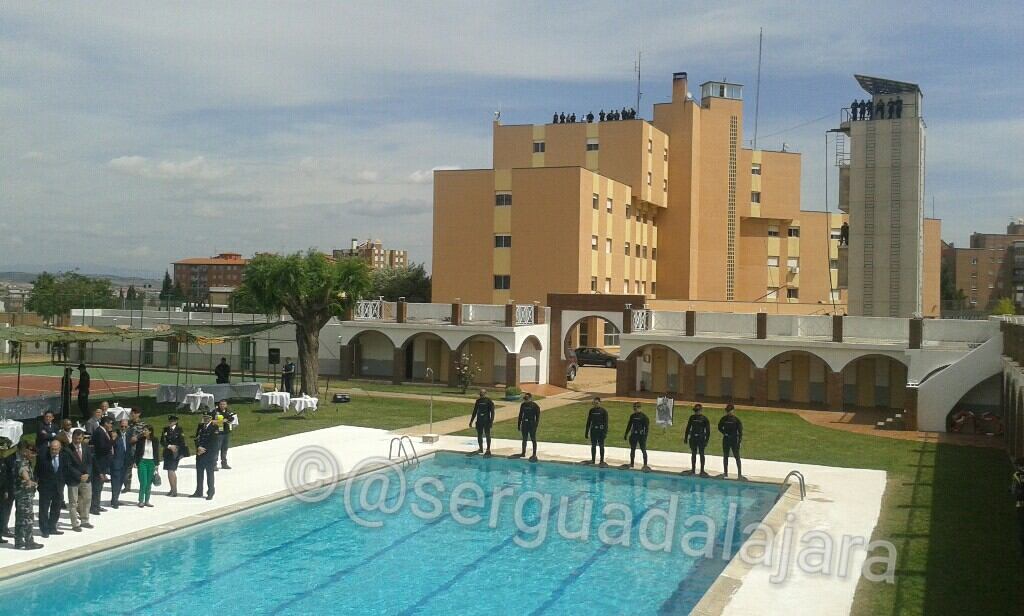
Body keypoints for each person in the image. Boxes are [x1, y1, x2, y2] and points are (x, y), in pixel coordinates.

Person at [13, 441, 42, 550]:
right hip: (24, 495)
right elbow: (23, 472)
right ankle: (29, 541)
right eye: (31, 452)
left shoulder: (20, 460)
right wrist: (29, 481)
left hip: (21, 494)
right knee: (28, 518)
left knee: (20, 518)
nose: (33, 455)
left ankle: (19, 541)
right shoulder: (22, 462)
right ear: (25, 451)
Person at [36, 439, 66, 537]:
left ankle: (52, 526)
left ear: (60, 448)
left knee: (56, 508)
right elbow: (37, 470)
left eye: (56, 449)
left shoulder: (63, 456)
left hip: (58, 486)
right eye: (52, 449)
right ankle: (44, 529)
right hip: (45, 487)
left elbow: (66, 469)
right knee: (44, 509)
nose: (53, 451)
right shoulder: (43, 457)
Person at [65, 429, 93, 531]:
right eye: (76, 438)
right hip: (73, 479)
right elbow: (68, 466)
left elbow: (90, 462)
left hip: (86, 478)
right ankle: (75, 524)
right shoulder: (67, 449)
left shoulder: (86, 447)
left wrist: (87, 474)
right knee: (73, 503)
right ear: (72, 438)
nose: (77, 440)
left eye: (80, 438)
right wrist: (79, 475)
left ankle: (85, 520)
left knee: (87, 499)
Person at [90, 416, 113, 515]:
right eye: (110, 423)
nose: (111, 425)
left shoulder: (104, 431)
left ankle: (97, 505)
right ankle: (93, 507)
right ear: (106, 423)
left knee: (99, 486)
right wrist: (113, 440)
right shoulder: (99, 432)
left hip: (103, 462)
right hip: (99, 462)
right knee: (96, 486)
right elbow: (102, 448)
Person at [192, 412, 218, 500]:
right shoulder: (200, 426)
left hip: (209, 454)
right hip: (200, 453)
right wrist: (198, 447)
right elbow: (196, 438)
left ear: (211, 418)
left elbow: (214, 442)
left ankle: (210, 492)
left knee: (209, 474)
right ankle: (199, 491)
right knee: (199, 473)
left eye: (207, 417)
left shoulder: (214, 427)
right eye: (204, 417)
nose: (206, 419)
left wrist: (204, 449)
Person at [109, 419, 133, 508]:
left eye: (125, 427)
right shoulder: (115, 434)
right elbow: (110, 446)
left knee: (121, 481)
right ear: (120, 426)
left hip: (125, 462)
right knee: (115, 482)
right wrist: (113, 439)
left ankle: (115, 499)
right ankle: (114, 501)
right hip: (116, 462)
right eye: (122, 426)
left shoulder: (129, 434)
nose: (123, 428)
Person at [161, 415, 187, 497]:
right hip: (167, 452)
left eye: (172, 421)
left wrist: (179, 451)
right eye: (170, 421)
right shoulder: (165, 429)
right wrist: (169, 446)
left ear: (176, 421)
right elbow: (162, 441)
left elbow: (182, 441)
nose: (170, 422)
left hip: (175, 452)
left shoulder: (179, 430)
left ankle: (174, 490)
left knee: (171, 470)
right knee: (170, 470)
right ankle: (172, 489)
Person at [134, 425, 160, 508]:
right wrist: (135, 461)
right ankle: (141, 500)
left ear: (150, 431)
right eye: (143, 430)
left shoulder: (155, 440)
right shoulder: (140, 440)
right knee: (143, 482)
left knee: (149, 483)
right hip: (142, 462)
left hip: (151, 462)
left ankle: (147, 500)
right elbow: (137, 452)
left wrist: (157, 464)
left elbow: (156, 452)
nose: (144, 432)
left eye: (145, 430)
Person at [718, 404, 744, 479]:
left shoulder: (736, 420)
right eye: (727, 411)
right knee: (725, 456)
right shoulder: (724, 419)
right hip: (726, 439)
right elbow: (719, 427)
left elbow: (740, 432)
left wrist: (739, 442)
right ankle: (725, 473)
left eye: (729, 411)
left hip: (734, 440)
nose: (728, 412)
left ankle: (739, 474)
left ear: (733, 410)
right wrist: (724, 433)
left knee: (737, 457)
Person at [123, 407, 146, 492]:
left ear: (138, 414)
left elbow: (146, 433)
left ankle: (142, 487)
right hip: (129, 450)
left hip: (138, 450)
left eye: (134, 413)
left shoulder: (143, 424)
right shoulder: (129, 424)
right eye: (132, 413)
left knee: (141, 470)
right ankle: (127, 486)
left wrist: (137, 437)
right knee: (127, 469)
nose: (132, 414)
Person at [683, 404, 711, 476]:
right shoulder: (692, 417)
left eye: (697, 410)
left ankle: (702, 471)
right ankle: (693, 470)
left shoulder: (704, 419)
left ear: (701, 410)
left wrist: (706, 440)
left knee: (702, 454)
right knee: (693, 454)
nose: (696, 412)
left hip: (701, 438)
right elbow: (688, 428)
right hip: (693, 438)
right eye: (695, 411)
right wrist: (686, 438)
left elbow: (708, 431)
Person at [623, 402, 650, 470]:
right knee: (632, 449)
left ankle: (645, 464)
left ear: (640, 407)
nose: (635, 409)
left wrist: (645, 437)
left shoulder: (644, 417)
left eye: (636, 407)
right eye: (634, 407)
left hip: (641, 436)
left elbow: (646, 428)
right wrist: (626, 434)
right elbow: (629, 425)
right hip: (634, 435)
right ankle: (632, 463)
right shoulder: (632, 416)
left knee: (643, 449)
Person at [514, 392, 540, 461]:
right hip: (524, 423)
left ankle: (534, 454)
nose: (525, 400)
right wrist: (519, 424)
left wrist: (536, 425)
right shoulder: (523, 405)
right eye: (525, 398)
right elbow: (520, 415)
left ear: (530, 398)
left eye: (526, 398)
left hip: (532, 424)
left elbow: (537, 417)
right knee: (524, 439)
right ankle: (523, 452)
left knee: (533, 439)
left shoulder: (535, 406)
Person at [469, 389, 495, 456]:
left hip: (486, 421)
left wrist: (491, 421)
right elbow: (474, 411)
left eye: (482, 393)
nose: (481, 394)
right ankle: (481, 448)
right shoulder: (478, 401)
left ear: (485, 393)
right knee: (479, 435)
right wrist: (471, 421)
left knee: (487, 435)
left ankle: (488, 449)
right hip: (479, 421)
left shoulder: (489, 401)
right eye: (480, 393)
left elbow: (492, 412)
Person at [584, 397, 609, 466]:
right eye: (594, 403)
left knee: (601, 446)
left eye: (597, 403)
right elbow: (588, 422)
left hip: (600, 431)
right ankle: (593, 460)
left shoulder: (604, 411)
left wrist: (605, 433)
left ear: (600, 403)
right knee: (593, 446)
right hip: (593, 431)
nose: (595, 404)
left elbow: (606, 423)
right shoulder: (591, 411)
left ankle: (601, 461)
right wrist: (586, 432)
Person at [0, 437, 16, 543]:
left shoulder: (8, 457)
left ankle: (3, 529)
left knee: (5, 510)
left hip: (8, 487)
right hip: (3, 488)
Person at [214, 399, 236, 470]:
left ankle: (224, 463)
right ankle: (214, 464)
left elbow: (232, 418)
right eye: (221, 404)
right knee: (216, 448)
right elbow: (212, 421)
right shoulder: (215, 412)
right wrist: (222, 421)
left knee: (224, 448)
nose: (222, 405)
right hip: (219, 433)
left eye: (224, 404)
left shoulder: (229, 412)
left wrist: (230, 420)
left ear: (226, 405)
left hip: (226, 432)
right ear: (219, 405)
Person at [1013, 459, 1024, 557]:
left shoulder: (1017, 475)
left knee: (1021, 529)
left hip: (1020, 506)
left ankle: (1021, 551)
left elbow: (1014, 491)